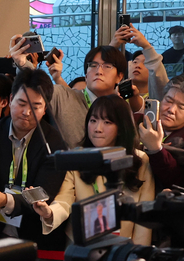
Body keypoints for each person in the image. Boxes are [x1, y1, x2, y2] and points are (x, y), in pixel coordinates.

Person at [0, 69, 68, 260]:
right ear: (10, 99)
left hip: (37, 240)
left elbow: (43, 194)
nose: (26, 112)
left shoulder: (54, 143)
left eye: (35, 106)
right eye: (21, 103)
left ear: (45, 108)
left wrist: (5, 200)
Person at [38, 94, 155, 241]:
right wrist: (50, 213)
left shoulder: (139, 160)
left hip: (123, 244)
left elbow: (144, 217)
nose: (97, 129)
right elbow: (64, 199)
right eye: (93, 121)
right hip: (82, 244)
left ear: (121, 127)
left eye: (107, 122)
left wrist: (137, 253)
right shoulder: (76, 157)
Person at [13, 37, 131, 148]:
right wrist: (23, 64)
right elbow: (37, 88)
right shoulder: (64, 96)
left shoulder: (121, 108)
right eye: (93, 65)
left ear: (119, 76)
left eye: (107, 66)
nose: (98, 71)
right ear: (86, 74)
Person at [138, 75, 184, 193]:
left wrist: (156, 149)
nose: (171, 110)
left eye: (181, 107)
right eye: (168, 101)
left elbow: (179, 181)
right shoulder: (138, 121)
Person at [113, 24, 169, 100]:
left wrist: (147, 46)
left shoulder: (158, 98)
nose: (138, 66)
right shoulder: (117, 96)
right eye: (135, 62)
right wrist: (112, 47)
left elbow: (159, 77)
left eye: (145, 63)